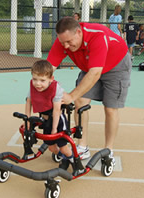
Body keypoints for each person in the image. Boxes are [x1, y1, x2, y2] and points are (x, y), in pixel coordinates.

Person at [47, 17, 132, 166]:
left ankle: (108, 150)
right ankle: (82, 146)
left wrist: (71, 95)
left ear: (79, 32)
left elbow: (95, 74)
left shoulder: (97, 36)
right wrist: (39, 87)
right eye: (62, 43)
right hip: (90, 66)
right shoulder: (63, 40)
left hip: (116, 65)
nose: (65, 46)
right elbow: (47, 69)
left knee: (110, 108)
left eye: (69, 42)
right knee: (80, 102)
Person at [24, 60, 73, 169]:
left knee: (63, 147)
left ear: (51, 79)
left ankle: (74, 161)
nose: (37, 83)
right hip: (46, 120)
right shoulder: (34, 87)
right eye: (35, 79)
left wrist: (54, 129)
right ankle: (64, 158)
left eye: (42, 80)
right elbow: (29, 102)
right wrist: (26, 121)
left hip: (58, 120)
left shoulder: (56, 89)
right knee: (51, 148)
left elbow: (56, 110)